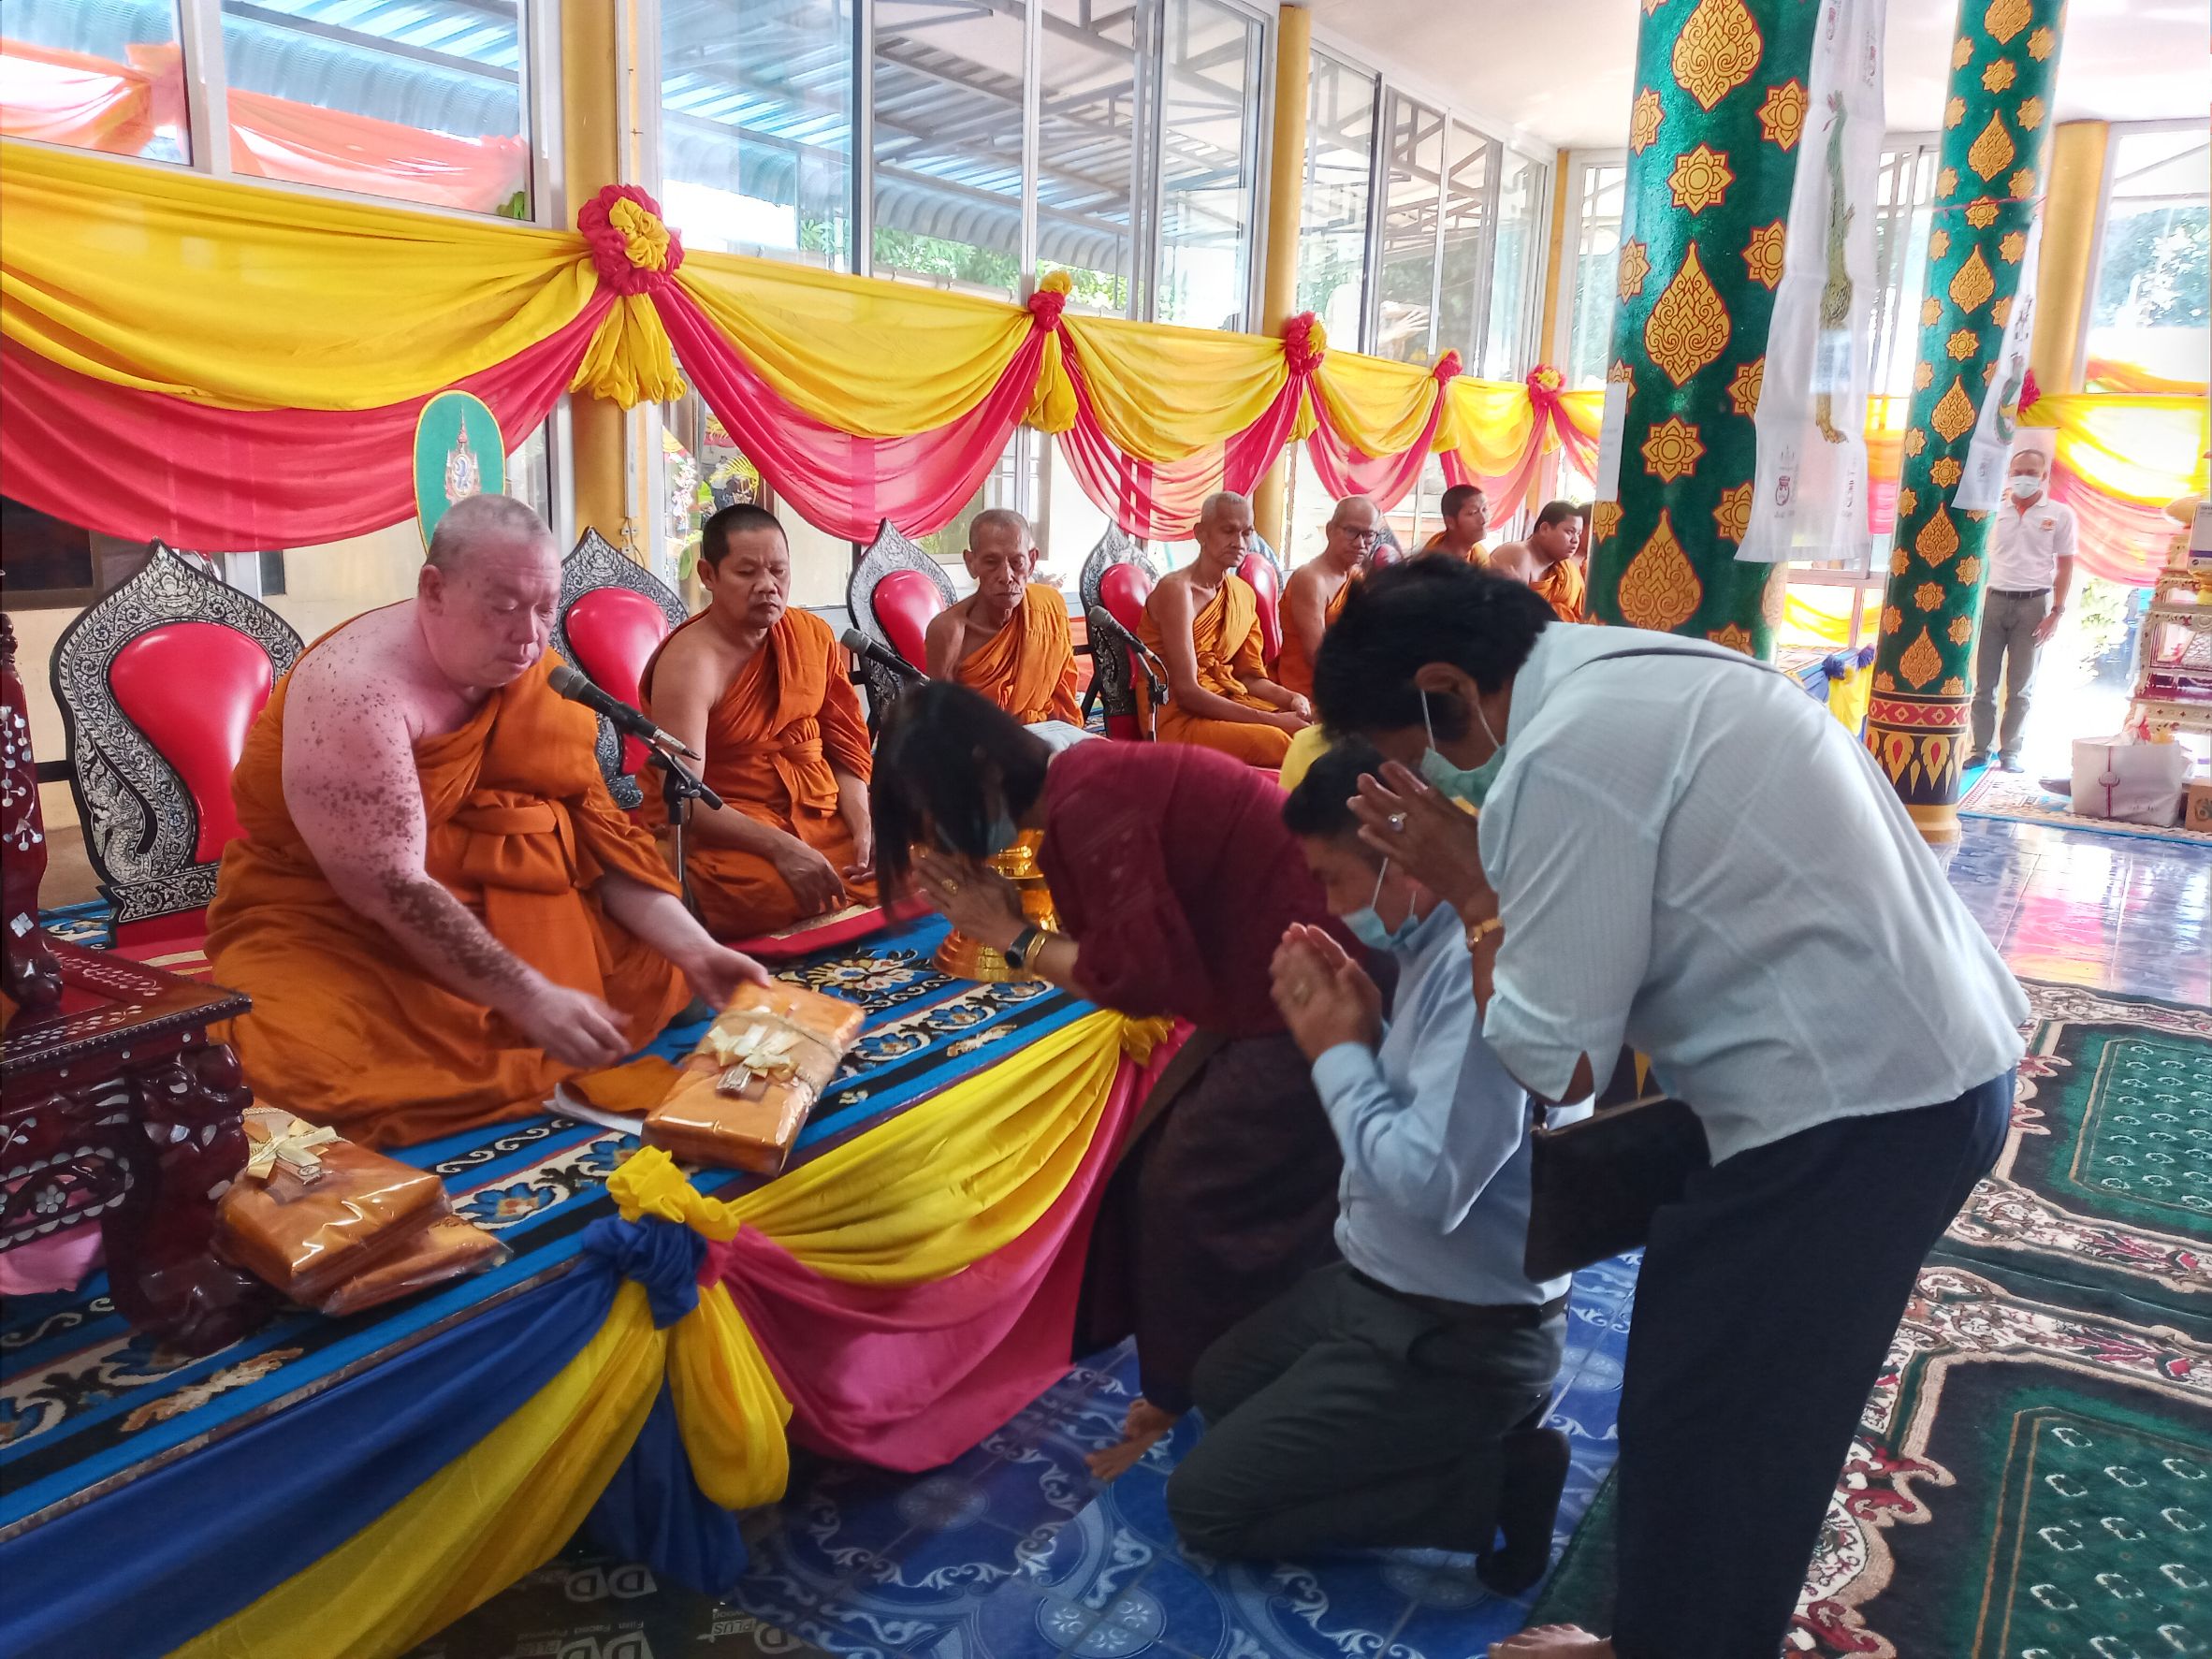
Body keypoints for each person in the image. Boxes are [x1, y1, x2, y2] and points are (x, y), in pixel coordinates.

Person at [1309, 559, 2027, 1659]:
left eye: (1412, 763)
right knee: (1726, 1402)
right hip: (1919, 1070)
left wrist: (1475, 890)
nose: (1427, 796)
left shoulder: (1565, 751)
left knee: (1723, 1425)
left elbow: (1557, 1066)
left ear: (1446, 690)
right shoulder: (1635, 671)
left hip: (1861, 1109)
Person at [871, 682, 1348, 1480]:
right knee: (1156, 1154)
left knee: (1187, 1189)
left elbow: (1137, 982)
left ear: (985, 770)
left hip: (1315, 996)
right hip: (1268, 982)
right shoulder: (1081, 782)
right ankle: (1203, 1390)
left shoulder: (1090, 801)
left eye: (937, 811)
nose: (943, 836)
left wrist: (1012, 935)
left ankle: (1212, 1402)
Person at [206, 494, 765, 1148]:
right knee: (296, 1063)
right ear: (434, 590)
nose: (528, 635)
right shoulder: (356, 690)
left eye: (545, 608)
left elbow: (597, 839)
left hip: (520, 908)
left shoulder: (532, 671)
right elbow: (388, 888)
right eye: (502, 607)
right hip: (344, 928)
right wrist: (530, 996)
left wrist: (695, 949)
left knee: (664, 971)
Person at [1164, 738, 1577, 1593]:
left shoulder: (1484, 972)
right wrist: (1368, 1030)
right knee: (1219, 1383)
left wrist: (1338, 1052)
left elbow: (1430, 1187)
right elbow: (1438, 1114)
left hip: (1465, 1332)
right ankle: (1439, 1435)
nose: (1327, 904)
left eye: (1334, 879)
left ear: (1403, 861)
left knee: (1205, 1506)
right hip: (1383, 1286)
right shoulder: (1436, 942)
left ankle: (1493, 1483)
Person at [640, 503, 877, 939]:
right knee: (770, 890)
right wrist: (780, 847)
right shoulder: (690, 664)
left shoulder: (812, 636)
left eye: (778, 571)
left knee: (912, 851)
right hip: (731, 827)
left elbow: (845, 750)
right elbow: (685, 798)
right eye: (747, 572)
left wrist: (863, 824)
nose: (768, 585)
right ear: (708, 575)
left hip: (818, 813)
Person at [1137, 490, 1309, 765]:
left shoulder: (1242, 594)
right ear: (1201, 534)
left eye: (1247, 533)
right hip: (1178, 717)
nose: (1239, 542)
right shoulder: (1177, 591)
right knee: (1279, 742)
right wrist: (1273, 720)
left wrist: (1291, 698)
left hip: (1227, 701)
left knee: (1319, 732)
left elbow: (1248, 677)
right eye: (1228, 531)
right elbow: (1187, 693)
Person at [1969, 446, 2076, 772]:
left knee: (2020, 686)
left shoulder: (2060, 514)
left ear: (2043, 476)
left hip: (2033, 604)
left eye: (2031, 473)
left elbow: (2066, 566)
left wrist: (2056, 612)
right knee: (1983, 684)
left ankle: (2010, 753)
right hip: (1994, 600)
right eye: (2018, 473)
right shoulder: (1993, 511)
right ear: (2009, 474)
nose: (2024, 478)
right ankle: (1979, 749)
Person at [924, 507, 1081, 726]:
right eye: (991, 562)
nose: (1006, 576)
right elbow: (941, 722)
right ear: (971, 563)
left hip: (1048, 735)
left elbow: (1063, 697)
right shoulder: (950, 631)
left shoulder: (1049, 607)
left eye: (1017, 563)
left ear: (1032, 561)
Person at [1275, 495, 1380, 704]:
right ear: (1330, 530)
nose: (1360, 543)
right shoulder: (1311, 579)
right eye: (1351, 531)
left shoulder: (1356, 575)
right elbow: (1318, 657)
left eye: (1369, 535)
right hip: (1309, 692)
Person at [1488, 501, 1588, 623]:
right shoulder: (1518, 554)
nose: (1575, 540)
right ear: (1545, 529)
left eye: (1578, 534)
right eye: (1569, 532)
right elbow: (1509, 615)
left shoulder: (1566, 568)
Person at [1421, 483, 1491, 562]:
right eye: (1472, 512)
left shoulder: (1478, 554)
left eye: (1485, 509)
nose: (1483, 520)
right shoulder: (1432, 562)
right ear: (1450, 522)